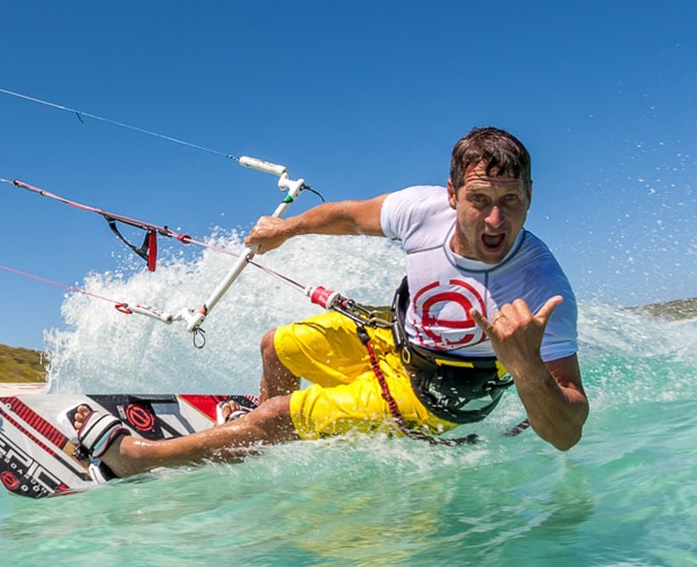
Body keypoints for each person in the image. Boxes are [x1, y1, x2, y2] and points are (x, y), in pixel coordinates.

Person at [72, 127, 588, 478]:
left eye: (511, 201)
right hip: (399, 344)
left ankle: (138, 460)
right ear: (451, 194)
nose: (496, 220)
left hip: (441, 401)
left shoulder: (541, 288)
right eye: (479, 199)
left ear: (530, 195)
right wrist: (286, 229)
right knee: (276, 344)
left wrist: (525, 369)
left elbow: (567, 433)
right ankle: (256, 440)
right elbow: (348, 215)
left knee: (277, 414)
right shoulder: (421, 209)